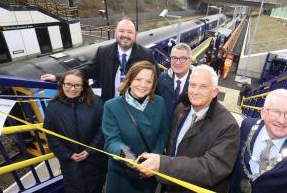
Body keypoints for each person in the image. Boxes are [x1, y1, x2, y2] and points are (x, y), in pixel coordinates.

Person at [138, 65, 240, 193]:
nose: (195, 91)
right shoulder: (181, 108)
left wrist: (163, 165)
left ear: (215, 92)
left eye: (203, 86)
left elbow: (211, 168)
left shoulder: (228, 126)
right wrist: (157, 167)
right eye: (192, 85)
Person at [41, 17, 157, 101]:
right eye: (121, 31)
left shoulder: (146, 55)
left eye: (130, 32)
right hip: (111, 105)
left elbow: (155, 80)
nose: (125, 35)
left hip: (137, 104)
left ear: (136, 34)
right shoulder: (103, 52)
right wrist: (58, 77)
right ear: (115, 32)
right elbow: (87, 71)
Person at [102, 61, 169, 193]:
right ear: (130, 79)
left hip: (149, 172)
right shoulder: (111, 106)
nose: (143, 85)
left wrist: (153, 157)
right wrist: (133, 160)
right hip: (122, 175)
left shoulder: (159, 102)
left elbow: (164, 133)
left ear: (153, 84)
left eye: (148, 82)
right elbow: (112, 142)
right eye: (138, 79)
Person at [43, 69, 107, 193]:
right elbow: (51, 135)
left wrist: (90, 150)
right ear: (62, 85)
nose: (72, 89)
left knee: (98, 186)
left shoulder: (97, 102)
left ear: (83, 87)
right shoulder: (53, 106)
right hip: (70, 165)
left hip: (95, 162)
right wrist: (68, 154)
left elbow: (103, 128)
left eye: (77, 85)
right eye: (68, 84)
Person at [157, 43, 192, 119]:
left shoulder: (197, 83)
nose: (178, 62)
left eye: (183, 58)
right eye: (174, 58)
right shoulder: (162, 78)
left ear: (190, 61)